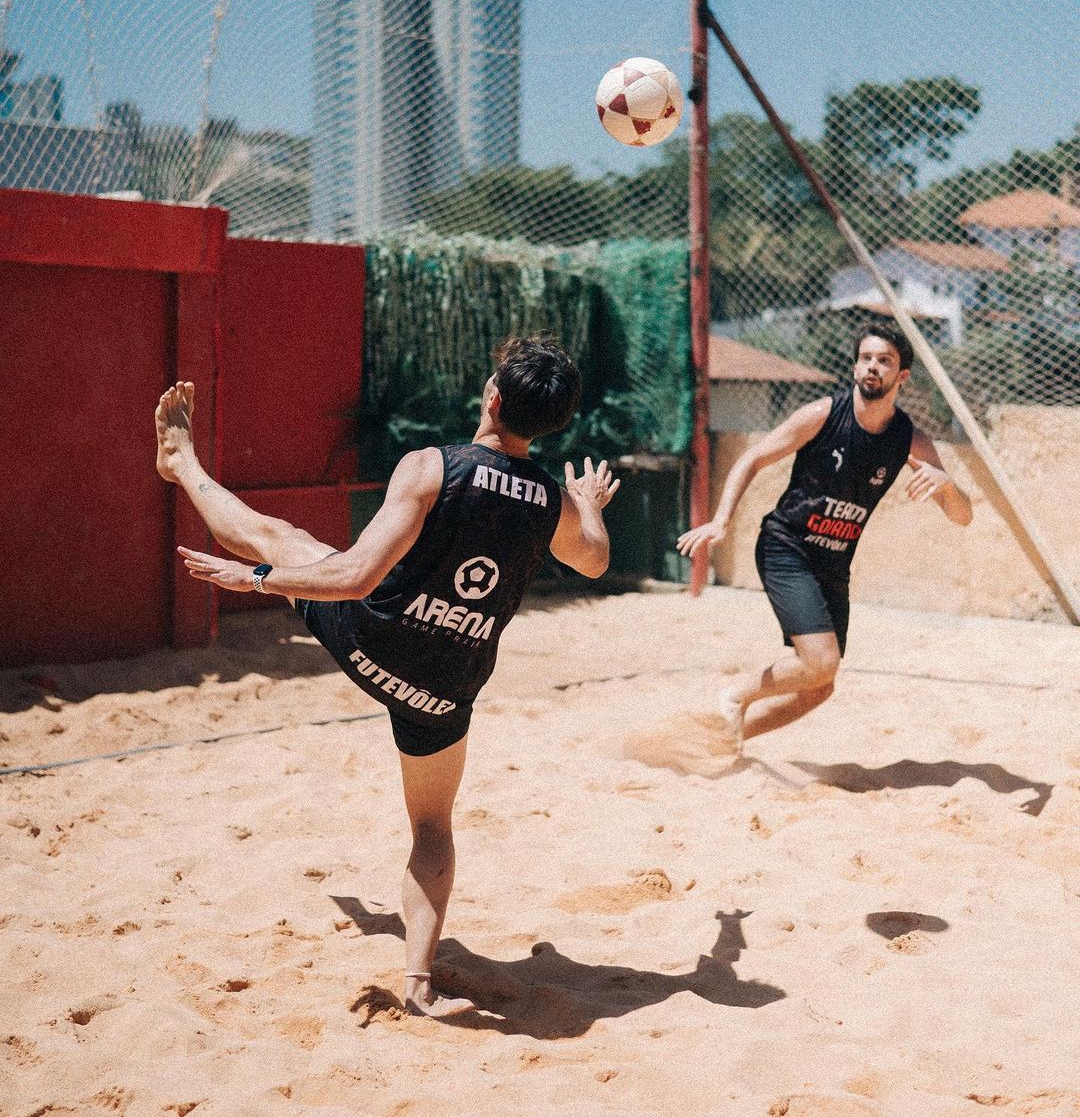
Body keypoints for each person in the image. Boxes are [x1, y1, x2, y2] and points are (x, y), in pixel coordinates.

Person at [154, 335, 619, 1018]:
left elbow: (352, 577)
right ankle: (418, 980)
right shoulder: (553, 503)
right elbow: (598, 563)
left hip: (372, 641)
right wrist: (591, 505)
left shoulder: (432, 469)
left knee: (273, 536)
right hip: (443, 688)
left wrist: (257, 578)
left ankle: (181, 463)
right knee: (432, 826)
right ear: (553, 425)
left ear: (491, 398)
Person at [677, 323, 972, 752]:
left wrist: (948, 484)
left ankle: (729, 736)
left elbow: (961, 518)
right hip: (787, 547)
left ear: (902, 376)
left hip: (833, 565)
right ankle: (735, 696)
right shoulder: (822, 415)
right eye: (866, 358)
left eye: (884, 361)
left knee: (820, 686)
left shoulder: (909, 439)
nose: (873, 367)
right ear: (855, 365)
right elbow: (753, 458)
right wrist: (721, 520)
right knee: (820, 662)